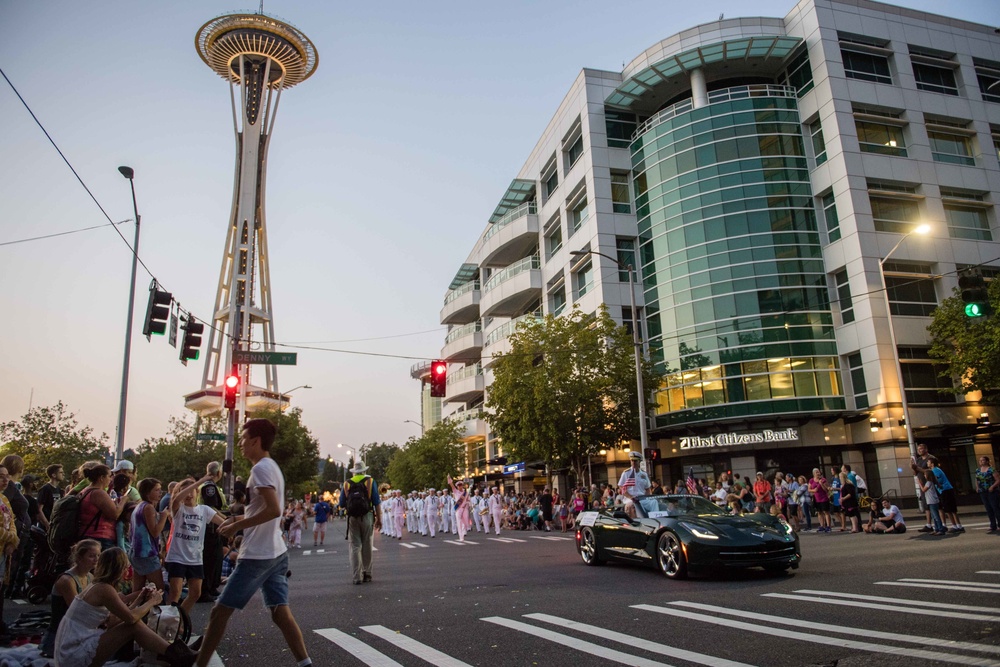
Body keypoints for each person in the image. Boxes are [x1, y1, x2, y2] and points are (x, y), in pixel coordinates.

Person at [196, 418, 312, 667]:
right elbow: (262, 508)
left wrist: (238, 526)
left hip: (258, 555)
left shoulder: (260, 469)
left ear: (256, 441)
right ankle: (305, 663)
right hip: (276, 552)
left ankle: (200, 664)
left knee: (219, 612)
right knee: (280, 612)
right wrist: (237, 518)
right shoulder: (271, 467)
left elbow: (273, 510)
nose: (240, 444)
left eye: (243, 439)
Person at [54, 546, 196, 666]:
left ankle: (177, 652)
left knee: (133, 624)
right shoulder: (104, 589)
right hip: (74, 652)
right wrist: (152, 601)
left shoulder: (99, 585)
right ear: (119, 568)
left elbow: (115, 620)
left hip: (74, 644)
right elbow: (130, 619)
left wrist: (139, 599)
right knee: (134, 626)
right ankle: (179, 654)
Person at [164, 475, 225, 615]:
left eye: (192, 490)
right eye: (184, 490)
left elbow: (223, 522)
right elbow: (177, 498)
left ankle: (179, 619)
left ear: (197, 492)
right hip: (176, 557)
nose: (189, 494)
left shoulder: (204, 510)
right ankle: (167, 624)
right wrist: (200, 481)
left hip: (195, 558)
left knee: (196, 593)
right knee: (175, 594)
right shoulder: (178, 509)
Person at [40, 539, 99, 658]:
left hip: (78, 632)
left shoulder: (90, 577)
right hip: (60, 638)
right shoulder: (67, 581)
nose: (96, 559)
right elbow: (77, 611)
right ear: (79, 558)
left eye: (98, 555)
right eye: (92, 556)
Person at [339, 461, 381, 585]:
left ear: (354, 472)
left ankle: (357, 576)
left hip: (352, 518)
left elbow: (341, 504)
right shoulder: (370, 481)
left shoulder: (347, 483)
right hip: (367, 515)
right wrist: (379, 518)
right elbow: (376, 501)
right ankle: (367, 573)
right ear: (364, 470)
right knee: (367, 544)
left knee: (355, 546)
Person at [129, 478, 169, 593]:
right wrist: (164, 516)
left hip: (135, 551)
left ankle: (133, 608)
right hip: (146, 553)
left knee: (138, 589)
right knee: (159, 588)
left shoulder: (139, 506)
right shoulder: (148, 507)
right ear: (147, 493)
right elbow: (155, 531)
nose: (160, 493)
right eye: (156, 490)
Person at [78, 464, 127, 551]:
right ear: (101, 478)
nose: (111, 479)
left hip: (87, 533)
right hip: (100, 536)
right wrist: (123, 500)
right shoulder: (99, 493)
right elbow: (115, 514)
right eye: (109, 476)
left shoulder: (85, 490)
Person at [199, 461, 227, 599]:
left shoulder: (211, 485)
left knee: (216, 558)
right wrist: (225, 520)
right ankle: (205, 589)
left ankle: (212, 586)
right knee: (210, 559)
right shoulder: (209, 486)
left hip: (213, 526)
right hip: (210, 527)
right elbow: (211, 508)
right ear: (218, 473)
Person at [0, 465, 20, 637]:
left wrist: (13, 539)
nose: (5, 480)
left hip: (4, 552)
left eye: (7, 476)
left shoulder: (4, 499)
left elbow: (11, 522)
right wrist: (11, 538)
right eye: (1, 477)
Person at [926, 456, 964, 533]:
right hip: (944, 490)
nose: (927, 463)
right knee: (950, 509)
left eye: (928, 462)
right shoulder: (935, 470)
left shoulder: (935, 470)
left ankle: (956, 526)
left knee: (950, 509)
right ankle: (957, 525)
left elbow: (937, 480)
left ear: (932, 464)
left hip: (945, 490)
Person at [975, 455, 1000, 532]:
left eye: (982, 460)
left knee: (995, 508)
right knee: (988, 508)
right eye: (980, 460)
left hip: (992, 491)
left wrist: (992, 486)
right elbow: (977, 479)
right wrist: (977, 487)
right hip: (983, 491)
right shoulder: (978, 470)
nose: (981, 462)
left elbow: (998, 480)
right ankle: (993, 525)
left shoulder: (991, 470)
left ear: (987, 461)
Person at [918, 470, 946, 535]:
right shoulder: (931, 482)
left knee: (936, 516)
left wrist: (920, 484)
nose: (924, 476)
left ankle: (940, 529)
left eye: (925, 475)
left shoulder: (928, 483)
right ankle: (936, 529)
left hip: (932, 501)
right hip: (932, 501)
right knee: (934, 516)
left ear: (928, 476)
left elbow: (923, 490)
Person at [447, 476, 472, 541]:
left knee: (466, 522)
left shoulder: (466, 493)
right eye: (458, 486)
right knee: (459, 522)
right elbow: (451, 485)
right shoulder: (455, 491)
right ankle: (461, 536)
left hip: (465, 508)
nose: (459, 487)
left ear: (462, 486)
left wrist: (468, 504)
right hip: (458, 508)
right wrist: (449, 479)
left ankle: (464, 531)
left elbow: (468, 500)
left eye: (460, 485)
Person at [807, 468, 831, 533]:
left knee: (826, 512)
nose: (818, 473)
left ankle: (828, 526)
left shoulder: (823, 480)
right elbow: (809, 489)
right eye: (816, 472)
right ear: (814, 474)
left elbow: (826, 490)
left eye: (818, 472)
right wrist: (813, 490)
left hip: (824, 498)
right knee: (819, 512)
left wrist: (821, 484)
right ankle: (822, 525)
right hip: (817, 498)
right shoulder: (811, 480)